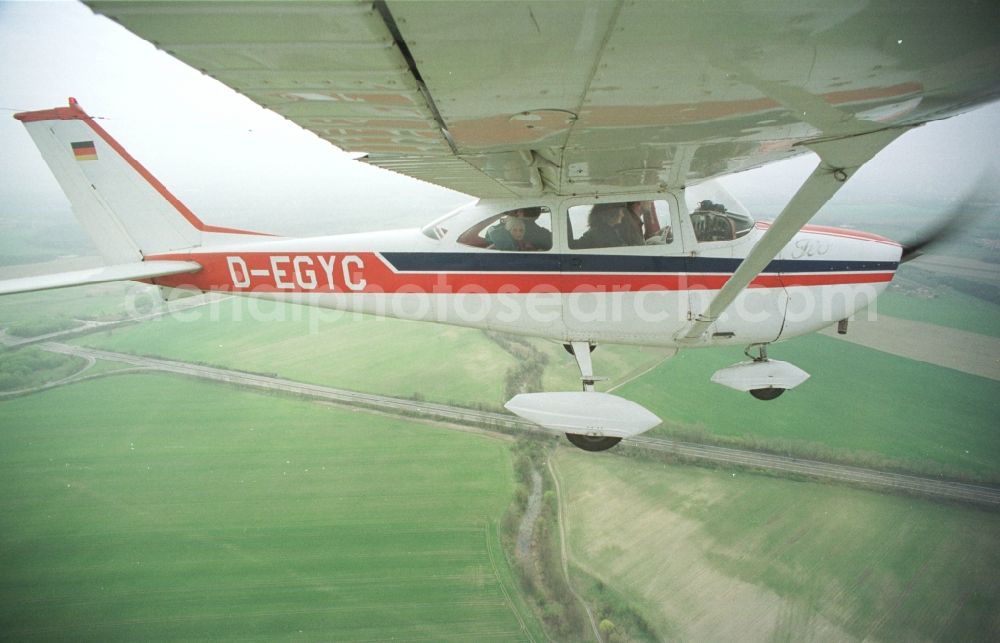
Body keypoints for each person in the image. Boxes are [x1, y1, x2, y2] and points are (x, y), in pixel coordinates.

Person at [485, 207, 551, 250]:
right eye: (515, 230)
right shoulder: (544, 233)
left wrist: (503, 213)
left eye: (518, 211)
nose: (518, 233)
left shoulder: (503, 234)